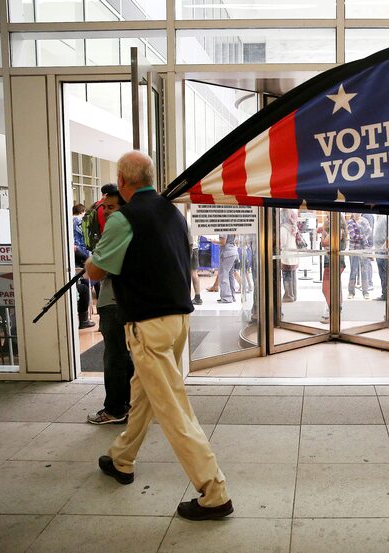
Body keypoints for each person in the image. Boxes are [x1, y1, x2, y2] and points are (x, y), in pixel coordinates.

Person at [85, 150, 232, 521]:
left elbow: (96, 272)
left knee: (173, 408)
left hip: (148, 326)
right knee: (145, 393)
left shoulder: (123, 219)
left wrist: (91, 259)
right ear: (150, 177)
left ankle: (214, 492)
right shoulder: (172, 212)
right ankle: (122, 459)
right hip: (178, 321)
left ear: (121, 180)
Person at [87, 189, 134, 425]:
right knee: (124, 356)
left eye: (111, 207)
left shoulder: (119, 229)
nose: (106, 211)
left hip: (114, 301)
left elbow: (96, 269)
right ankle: (127, 405)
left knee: (115, 356)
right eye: (104, 207)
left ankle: (115, 409)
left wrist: (95, 257)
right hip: (121, 300)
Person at [72, 203, 95, 329]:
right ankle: (85, 318)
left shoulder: (67, 220)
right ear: (83, 211)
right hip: (81, 253)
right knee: (88, 282)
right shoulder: (80, 221)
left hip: (73, 256)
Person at [346, 212, 372, 299]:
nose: (357, 213)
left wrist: (363, 236)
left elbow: (369, 232)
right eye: (354, 212)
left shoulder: (365, 221)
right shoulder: (350, 222)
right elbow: (353, 235)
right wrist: (363, 236)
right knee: (353, 270)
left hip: (364, 249)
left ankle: (365, 292)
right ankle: (351, 292)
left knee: (365, 271)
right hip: (354, 250)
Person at [279, 209, 299, 302]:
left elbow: (282, 243)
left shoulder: (283, 228)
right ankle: (294, 295)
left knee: (287, 277)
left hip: (286, 256)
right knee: (293, 277)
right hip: (293, 255)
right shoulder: (293, 227)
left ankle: (288, 296)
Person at [218, 234, 238, 303]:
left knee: (223, 275)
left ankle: (226, 298)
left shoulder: (223, 226)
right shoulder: (232, 225)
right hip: (233, 251)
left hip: (227, 252)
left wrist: (214, 241)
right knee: (230, 275)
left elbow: (223, 242)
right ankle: (232, 296)